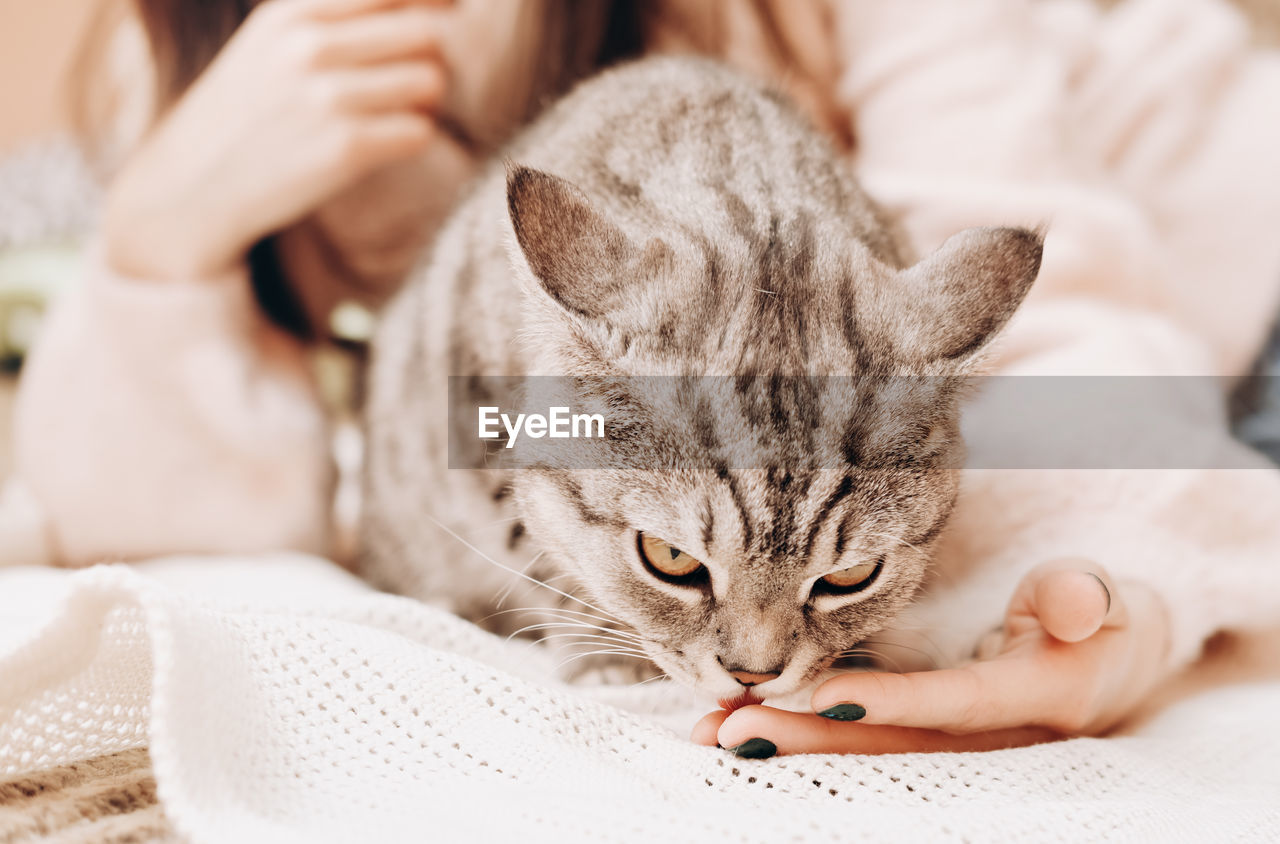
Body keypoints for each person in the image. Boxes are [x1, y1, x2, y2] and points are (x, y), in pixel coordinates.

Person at [6, 0, 1280, 759]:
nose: (756, 659)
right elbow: (293, 493)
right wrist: (156, 238)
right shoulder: (177, 48)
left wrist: (1115, 579)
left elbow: (1062, 308)